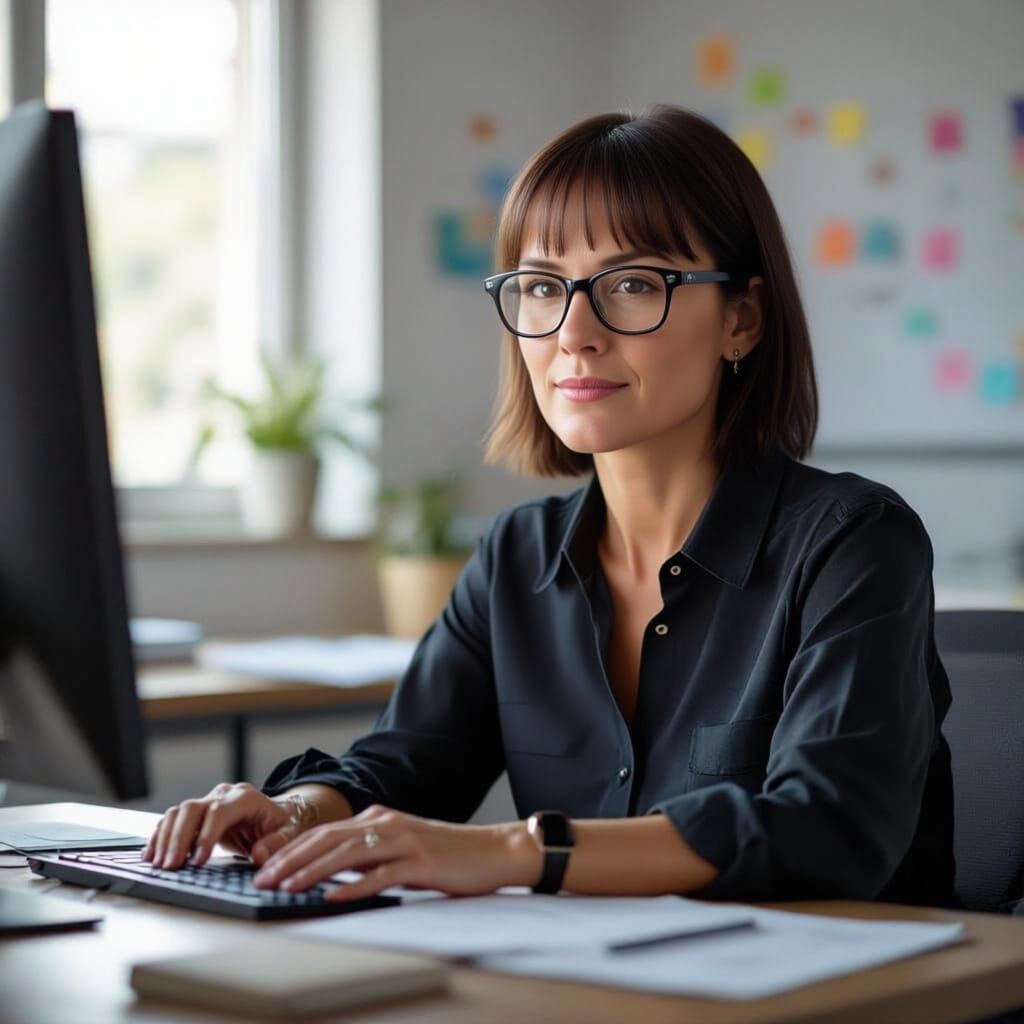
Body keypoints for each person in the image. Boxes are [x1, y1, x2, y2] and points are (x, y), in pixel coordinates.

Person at [145, 104, 957, 909]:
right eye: (541, 287)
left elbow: (824, 829)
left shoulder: (854, 544)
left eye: (634, 284)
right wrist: (292, 811)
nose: (574, 332)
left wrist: (515, 851)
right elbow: (404, 765)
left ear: (740, 320)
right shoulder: (517, 557)